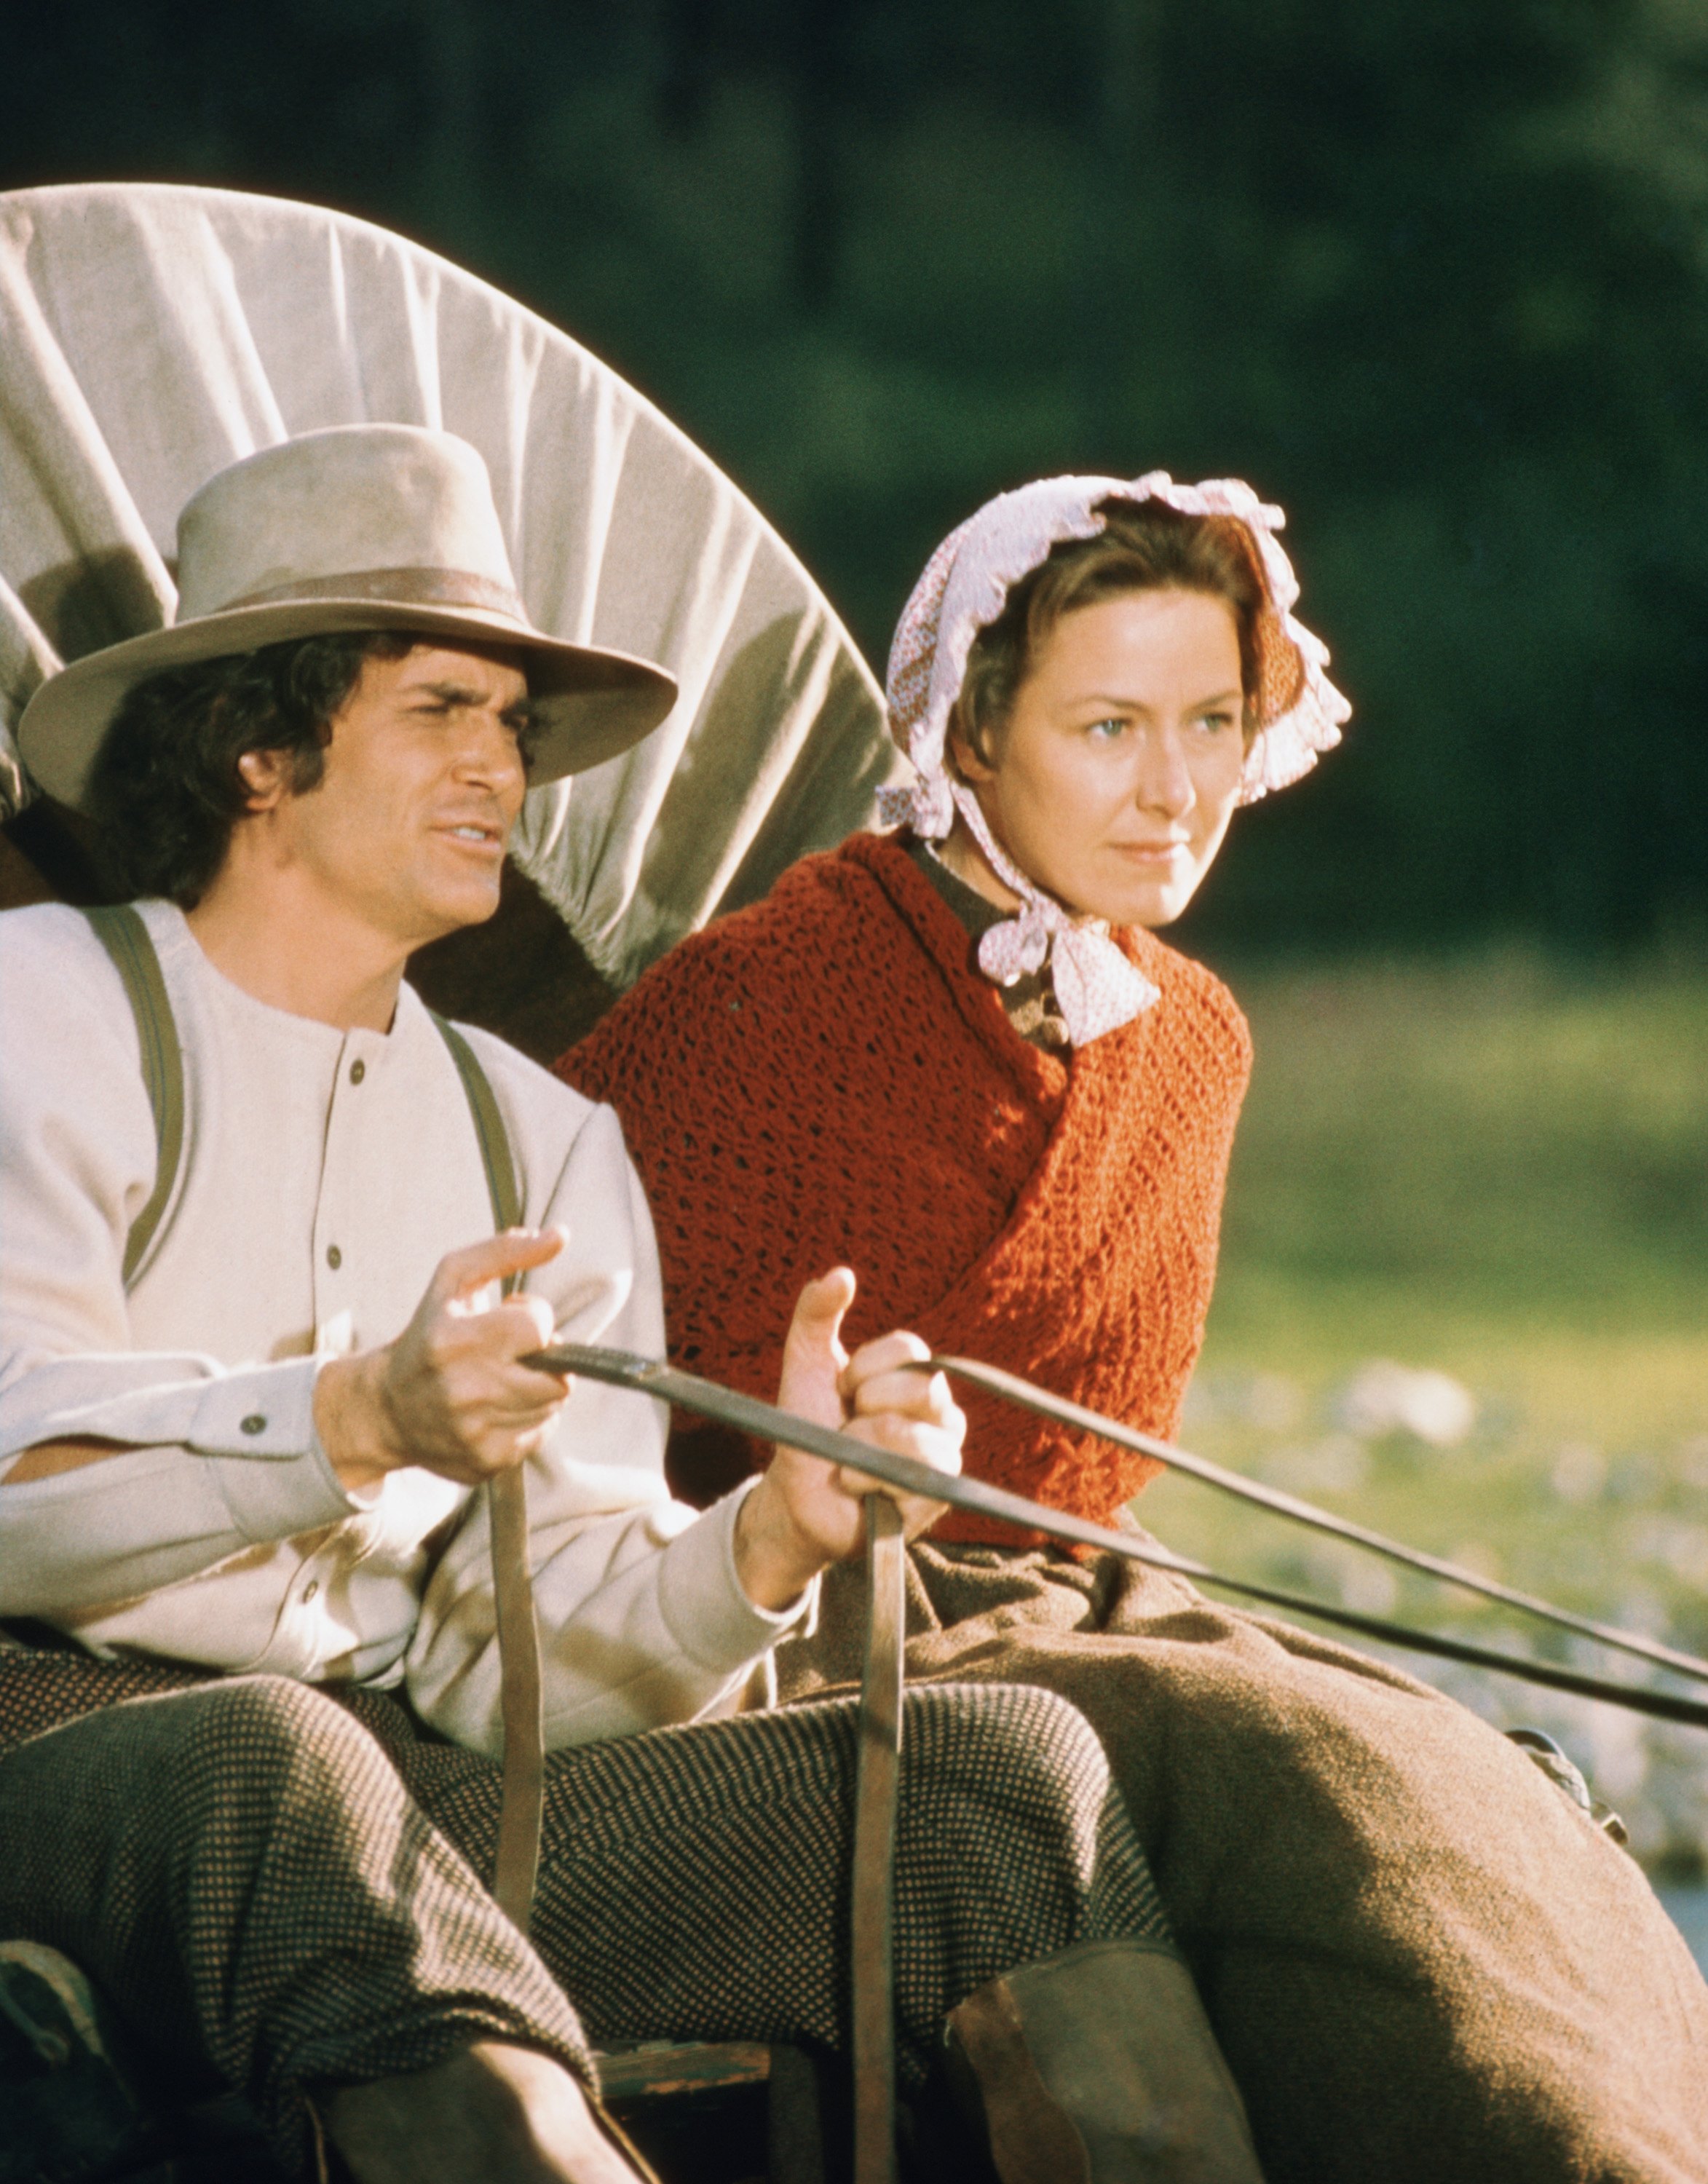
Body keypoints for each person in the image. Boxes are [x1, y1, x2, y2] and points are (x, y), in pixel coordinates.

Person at [0, 430, 1267, 2184]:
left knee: (1011, 1784)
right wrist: (353, 1421)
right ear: (259, 746)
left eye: (513, 726)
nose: (500, 770)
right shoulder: (36, 1011)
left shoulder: (544, 1139)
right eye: (442, 710)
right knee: (275, 1762)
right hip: (58, 1754)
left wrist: (773, 1533)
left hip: (415, 1799)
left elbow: (529, 1660)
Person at [561, 472, 1708, 2183]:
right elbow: (578, 1370)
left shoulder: (1193, 1042)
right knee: (1290, 1767)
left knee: (1472, 1762)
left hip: (1074, 1589)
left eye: (1210, 724)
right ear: (968, 735)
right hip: (786, 1616)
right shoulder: (772, 987)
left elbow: (1090, 1462)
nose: (1177, 791)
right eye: (1107, 727)